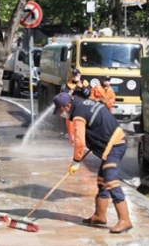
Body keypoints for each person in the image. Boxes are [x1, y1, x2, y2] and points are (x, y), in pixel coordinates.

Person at [53, 92, 133, 234]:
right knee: (102, 180)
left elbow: (79, 141)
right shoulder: (84, 104)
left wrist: (76, 161)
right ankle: (99, 216)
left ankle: (125, 219)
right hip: (114, 140)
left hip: (114, 144)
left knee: (110, 180)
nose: (61, 114)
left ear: (67, 106)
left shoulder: (78, 115)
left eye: (60, 110)